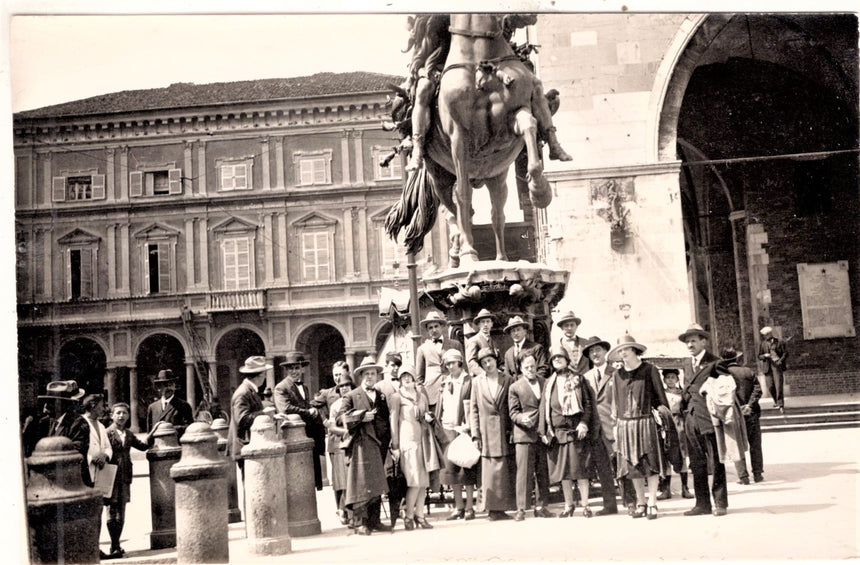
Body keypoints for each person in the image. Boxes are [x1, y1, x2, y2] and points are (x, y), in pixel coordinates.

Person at [608, 335, 670, 520]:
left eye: (626, 349)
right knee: (632, 467)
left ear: (634, 350)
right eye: (620, 350)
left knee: (650, 464)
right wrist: (616, 426)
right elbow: (615, 404)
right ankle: (640, 503)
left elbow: (660, 399)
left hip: (645, 423)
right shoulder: (617, 375)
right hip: (625, 425)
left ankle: (652, 503)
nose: (623, 353)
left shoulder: (649, 370)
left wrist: (663, 419)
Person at [679, 323, 729, 517]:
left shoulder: (715, 363)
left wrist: (712, 388)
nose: (690, 344)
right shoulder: (686, 364)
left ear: (704, 341)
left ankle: (720, 503)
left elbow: (728, 388)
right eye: (687, 341)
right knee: (697, 464)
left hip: (710, 420)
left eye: (693, 340)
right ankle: (702, 504)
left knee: (716, 463)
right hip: (691, 420)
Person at [339, 356, 392, 535]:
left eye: (373, 373)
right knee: (361, 482)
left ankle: (375, 520)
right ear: (361, 376)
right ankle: (361, 522)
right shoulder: (351, 396)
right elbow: (341, 418)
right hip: (361, 444)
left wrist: (388, 440)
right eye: (366, 374)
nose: (370, 377)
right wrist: (361, 416)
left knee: (377, 481)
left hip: (379, 444)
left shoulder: (381, 395)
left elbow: (386, 419)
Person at [539, 346, 593, 518]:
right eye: (554, 358)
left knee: (580, 470)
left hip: (576, 431)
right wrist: (544, 431)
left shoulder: (578, 379)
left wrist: (584, 423)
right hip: (558, 433)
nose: (557, 360)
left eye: (560, 358)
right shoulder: (549, 383)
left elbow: (587, 403)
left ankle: (585, 505)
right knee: (564, 473)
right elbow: (543, 408)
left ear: (567, 360)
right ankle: (569, 505)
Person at [103, 402, 159, 559]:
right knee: (111, 511)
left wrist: (153, 431)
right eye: (118, 413)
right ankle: (114, 544)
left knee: (121, 511)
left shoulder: (128, 434)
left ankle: (116, 544)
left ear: (128, 416)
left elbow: (142, 446)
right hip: (110, 476)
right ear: (112, 415)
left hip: (125, 476)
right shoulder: (107, 433)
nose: (121, 416)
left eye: (124, 413)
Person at [469, 347, 516, 520]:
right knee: (489, 470)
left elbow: (512, 406)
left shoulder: (508, 379)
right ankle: (491, 508)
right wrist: (475, 435)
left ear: (496, 360)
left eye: (490, 360)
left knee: (503, 469)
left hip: (503, 429)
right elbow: (473, 409)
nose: (488, 364)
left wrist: (512, 429)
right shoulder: (477, 382)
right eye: (484, 362)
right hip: (485, 431)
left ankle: (503, 507)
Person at [389, 364, 437, 531]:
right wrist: (395, 446)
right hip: (407, 443)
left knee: (423, 482)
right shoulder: (397, 397)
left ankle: (420, 516)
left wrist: (428, 417)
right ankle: (409, 516)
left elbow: (424, 415)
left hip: (423, 441)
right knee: (414, 481)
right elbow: (393, 422)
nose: (407, 378)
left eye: (409, 375)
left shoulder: (421, 396)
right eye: (403, 376)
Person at [508, 353, 555, 521]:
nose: (530, 370)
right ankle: (521, 508)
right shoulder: (515, 387)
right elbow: (513, 412)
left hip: (542, 434)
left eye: (533, 366)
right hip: (524, 434)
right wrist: (522, 419)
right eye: (527, 367)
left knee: (543, 472)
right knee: (524, 473)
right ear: (521, 368)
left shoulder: (546, 383)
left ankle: (542, 506)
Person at [581, 336, 623, 515]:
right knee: (603, 468)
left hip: (613, 425)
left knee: (622, 465)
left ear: (606, 352)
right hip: (595, 429)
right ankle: (609, 505)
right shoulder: (586, 377)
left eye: (598, 350)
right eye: (591, 351)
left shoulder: (616, 373)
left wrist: (618, 421)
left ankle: (632, 502)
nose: (595, 354)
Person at [434, 348, 477, 521]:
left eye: (453, 363)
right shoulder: (444, 382)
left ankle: (469, 507)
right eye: (447, 363)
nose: (451, 366)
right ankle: (458, 506)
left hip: (463, 428)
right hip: (447, 428)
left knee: (465, 469)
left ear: (460, 362)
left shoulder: (469, 381)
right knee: (451, 470)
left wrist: (469, 426)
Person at [274, 350, 327, 490]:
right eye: (290, 368)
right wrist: (308, 412)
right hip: (292, 434)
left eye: (297, 367)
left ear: (302, 369)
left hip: (307, 434)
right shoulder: (281, 387)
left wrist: (312, 408)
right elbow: (286, 408)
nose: (294, 371)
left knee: (309, 475)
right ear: (286, 370)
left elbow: (305, 405)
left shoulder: (304, 387)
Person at [720, 346, 764, 485]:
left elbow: (725, 396)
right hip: (752, 412)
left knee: (737, 444)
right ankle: (758, 474)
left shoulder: (723, 375)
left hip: (734, 414)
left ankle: (743, 477)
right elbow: (758, 389)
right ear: (737, 358)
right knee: (755, 444)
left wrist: (738, 407)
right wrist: (749, 405)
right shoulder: (748, 371)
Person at [228, 356, 271, 480]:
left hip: (248, 444)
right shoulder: (243, 392)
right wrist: (264, 413)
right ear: (258, 375)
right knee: (251, 484)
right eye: (264, 374)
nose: (265, 377)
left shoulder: (249, 390)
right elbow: (242, 418)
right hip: (244, 444)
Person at [322, 369, 356, 527]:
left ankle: (351, 512)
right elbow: (332, 427)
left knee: (351, 478)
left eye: (347, 385)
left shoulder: (356, 400)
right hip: (339, 443)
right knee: (341, 480)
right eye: (341, 386)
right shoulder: (335, 405)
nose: (344, 388)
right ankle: (343, 511)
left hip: (353, 442)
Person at [415, 311, 464, 412]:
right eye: (430, 328)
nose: (434, 330)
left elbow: (463, 369)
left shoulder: (455, 344)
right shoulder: (422, 349)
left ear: (442, 326)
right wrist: (421, 399)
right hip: (432, 395)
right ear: (427, 330)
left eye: (436, 326)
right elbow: (419, 379)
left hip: (453, 390)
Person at [43, 380, 89, 483]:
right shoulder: (51, 421)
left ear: (61, 404)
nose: (45, 409)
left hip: (72, 480)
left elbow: (77, 449)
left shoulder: (78, 422)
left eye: (50, 403)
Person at [658, 368, 693, 499]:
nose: (670, 380)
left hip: (679, 424)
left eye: (673, 377)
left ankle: (685, 488)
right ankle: (666, 489)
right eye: (668, 378)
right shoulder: (661, 394)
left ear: (677, 379)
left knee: (682, 454)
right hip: (666, 425)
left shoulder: (682, 393)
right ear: (664, 380)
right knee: (666, 455)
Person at [146, 369, 193, 437]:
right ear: (159, 387)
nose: (169, 388)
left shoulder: (183, 405)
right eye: (165, 385)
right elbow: (149, 433)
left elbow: (189, 427)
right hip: (157, 446)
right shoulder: (152, 407)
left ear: (174, 386)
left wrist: (169, 428)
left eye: (171, 384)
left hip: (176, 445)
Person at [502, 315, 549, 381]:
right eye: (513, 331)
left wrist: (531, 383)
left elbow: (543, 370)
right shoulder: (508, 353)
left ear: (525, 332)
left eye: (518, 330)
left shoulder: (536, 348)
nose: (516, 333)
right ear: (510, 334)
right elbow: (506, 375)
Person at [758, 326, 788, 413]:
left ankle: (781, 404)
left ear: (770, 334)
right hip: (767, 367)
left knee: (778, 385)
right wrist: (764, 356)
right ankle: (776, 401)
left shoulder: (779, 342)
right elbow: (759, 356)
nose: (766, 336)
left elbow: (785, 353)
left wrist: (780, 361)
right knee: (770, 386)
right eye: (764, 335)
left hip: (777, 366)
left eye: (767, 334)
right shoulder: (763, 344)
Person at [465, 309, 500, 378]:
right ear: (478, 324)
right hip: (480, 379)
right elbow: (471, 363)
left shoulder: (494, 342)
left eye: (488, 321)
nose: (485, 324)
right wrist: (484, 374)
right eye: (482, 322)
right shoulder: (473, 340)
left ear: (492, 324)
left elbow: (499, 361)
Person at [555, 310, 591, 374]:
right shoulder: (555, 347)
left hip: (587, 381)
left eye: (572, 325)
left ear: (576, 327)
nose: (569, 328)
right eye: (566, 325)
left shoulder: (586, 343)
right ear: (561, 328)